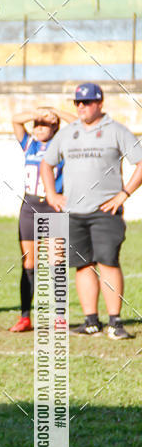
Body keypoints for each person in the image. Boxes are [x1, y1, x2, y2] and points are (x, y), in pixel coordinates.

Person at [41, 83, 142, 339]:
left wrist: (124, 193)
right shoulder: (68, 133)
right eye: (77, 103)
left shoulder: (115, 130)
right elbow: (46, 164)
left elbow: (140, 162)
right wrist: (52, 194)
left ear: (100, 103)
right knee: (83, 265)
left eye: (86, 102)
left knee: (108, 262)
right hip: (75, 212)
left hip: (105, 211)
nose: (81, 107)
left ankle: (115, 323)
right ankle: (90, 322)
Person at [9, 105, 76, 332]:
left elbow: (77, 122)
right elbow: (16, 119)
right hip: (29, 206)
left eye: (45, 124)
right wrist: (37, 114)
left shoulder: (63, 144)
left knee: (55, 260)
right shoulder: (30, 144)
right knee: (29, 262)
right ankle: (26, 316)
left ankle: (59, 316)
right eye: (36, 125)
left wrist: (56, 111)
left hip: (53, 205)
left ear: (55, 126)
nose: (38, 128)